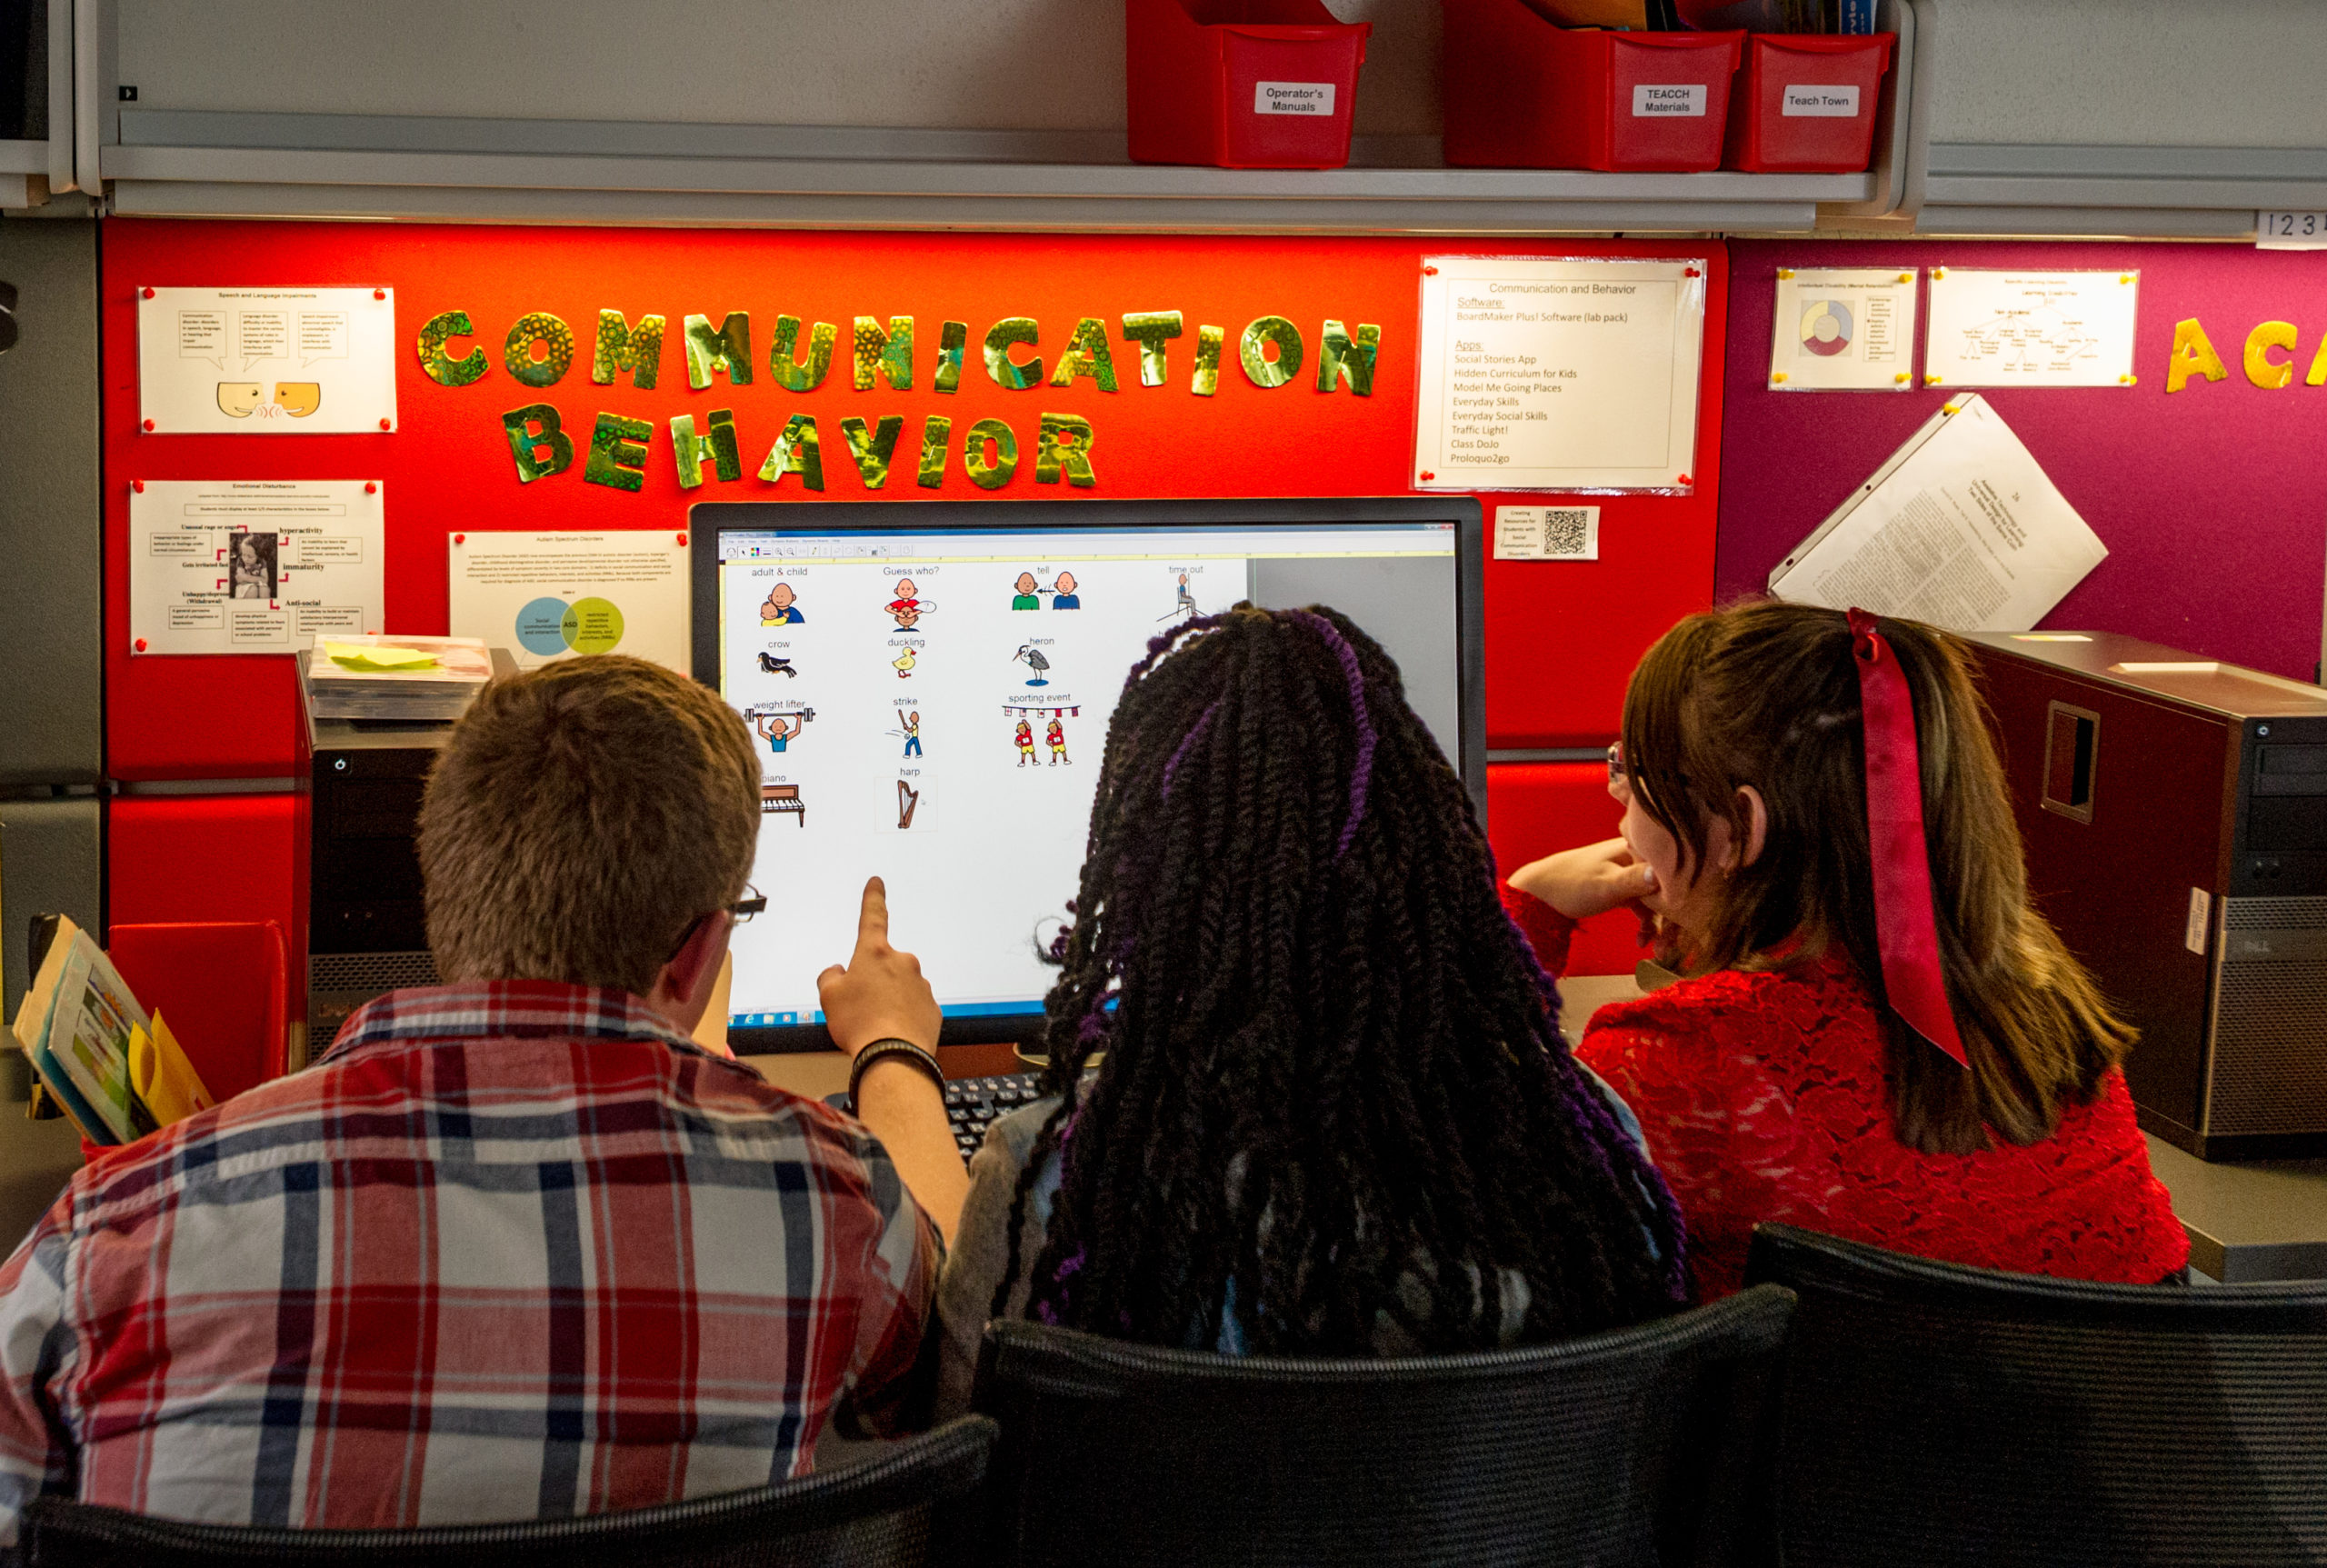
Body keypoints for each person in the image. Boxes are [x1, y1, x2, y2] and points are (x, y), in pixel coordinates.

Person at [0, 656, 959, 1536]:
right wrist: (883, 1050)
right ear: (702, 953)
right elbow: (942, 1381)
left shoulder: (106, 1237)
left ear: (443, 894)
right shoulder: (830, 1202)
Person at [828, 605, 1683, 1417]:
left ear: (1146, 887)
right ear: (1434, 853)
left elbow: (958, 1444)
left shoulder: (1073, 1181)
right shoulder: (1586, 1145)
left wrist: (894, 1055)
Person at [1504, 603, 2188, 1301]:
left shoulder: (1679, 1057)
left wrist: (1524, 914)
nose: (1621, 805)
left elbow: (1471, 1194)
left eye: (1634, 774)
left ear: (1740, 827)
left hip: (1815, 1416)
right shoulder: (2045, 1004)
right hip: (2127, 1411)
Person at [230, 534, 268, 600]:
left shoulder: (261, 562)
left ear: (258, 556)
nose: (246, 559)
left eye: (250, 556)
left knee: (265, 590)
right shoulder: (241, 560)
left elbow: (265, 580)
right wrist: (258, 579)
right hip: (244, 587)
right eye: (243, 555)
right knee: (253, 589)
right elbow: (240, 579)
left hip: (259, 586)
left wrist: (247, 577)